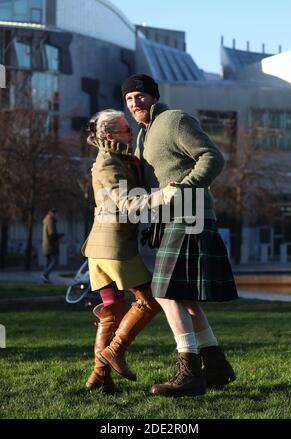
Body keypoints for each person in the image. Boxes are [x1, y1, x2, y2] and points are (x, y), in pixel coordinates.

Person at [121, 73, 239, 397]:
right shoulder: (142, 136)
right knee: (183, 297)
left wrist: (184, 189)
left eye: (140, 96)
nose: (135, 103)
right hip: (172, 217)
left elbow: (213, 157)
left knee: (163, 291)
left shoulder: (174, 120)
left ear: (153, 96)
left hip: (192, 212)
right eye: (129, 99)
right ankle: (216, 366)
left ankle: (189, 373)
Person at [82, 109, 176, 394]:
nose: (131, 132)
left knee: (112, 312)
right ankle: (115, 351)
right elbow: (127, 203)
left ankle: (100, 377)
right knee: (151, 299)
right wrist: (166, 195)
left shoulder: (117, 159)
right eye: (125, 130)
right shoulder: (108, 163)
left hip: (101, 249)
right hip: (114, 248)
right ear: (109, 135)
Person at [41, 208, 64, 283]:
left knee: (48, 262)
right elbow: (52, 233)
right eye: (57, 214)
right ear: (53, 214)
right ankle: (45, 274)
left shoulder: (47, 220)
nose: (58, 216)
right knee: (55, 261)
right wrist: (60, 235)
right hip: (51, 245)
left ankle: (45, 278)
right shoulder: (50, 221)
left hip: (46, 245)